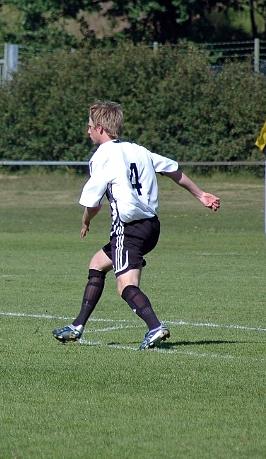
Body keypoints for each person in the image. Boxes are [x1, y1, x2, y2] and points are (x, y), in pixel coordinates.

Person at [52, 101, 220, 349]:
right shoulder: (138, 150)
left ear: (100, 127)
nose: (87, 131)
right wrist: (200, 194)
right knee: (97, 263)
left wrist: (85, 222)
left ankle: (155, 327)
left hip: (128, 229)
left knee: (125, 286)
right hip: (151, 227)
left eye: (89, 126)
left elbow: (94, 203)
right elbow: (174, 170)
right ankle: (77, 327)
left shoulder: (102, 156)